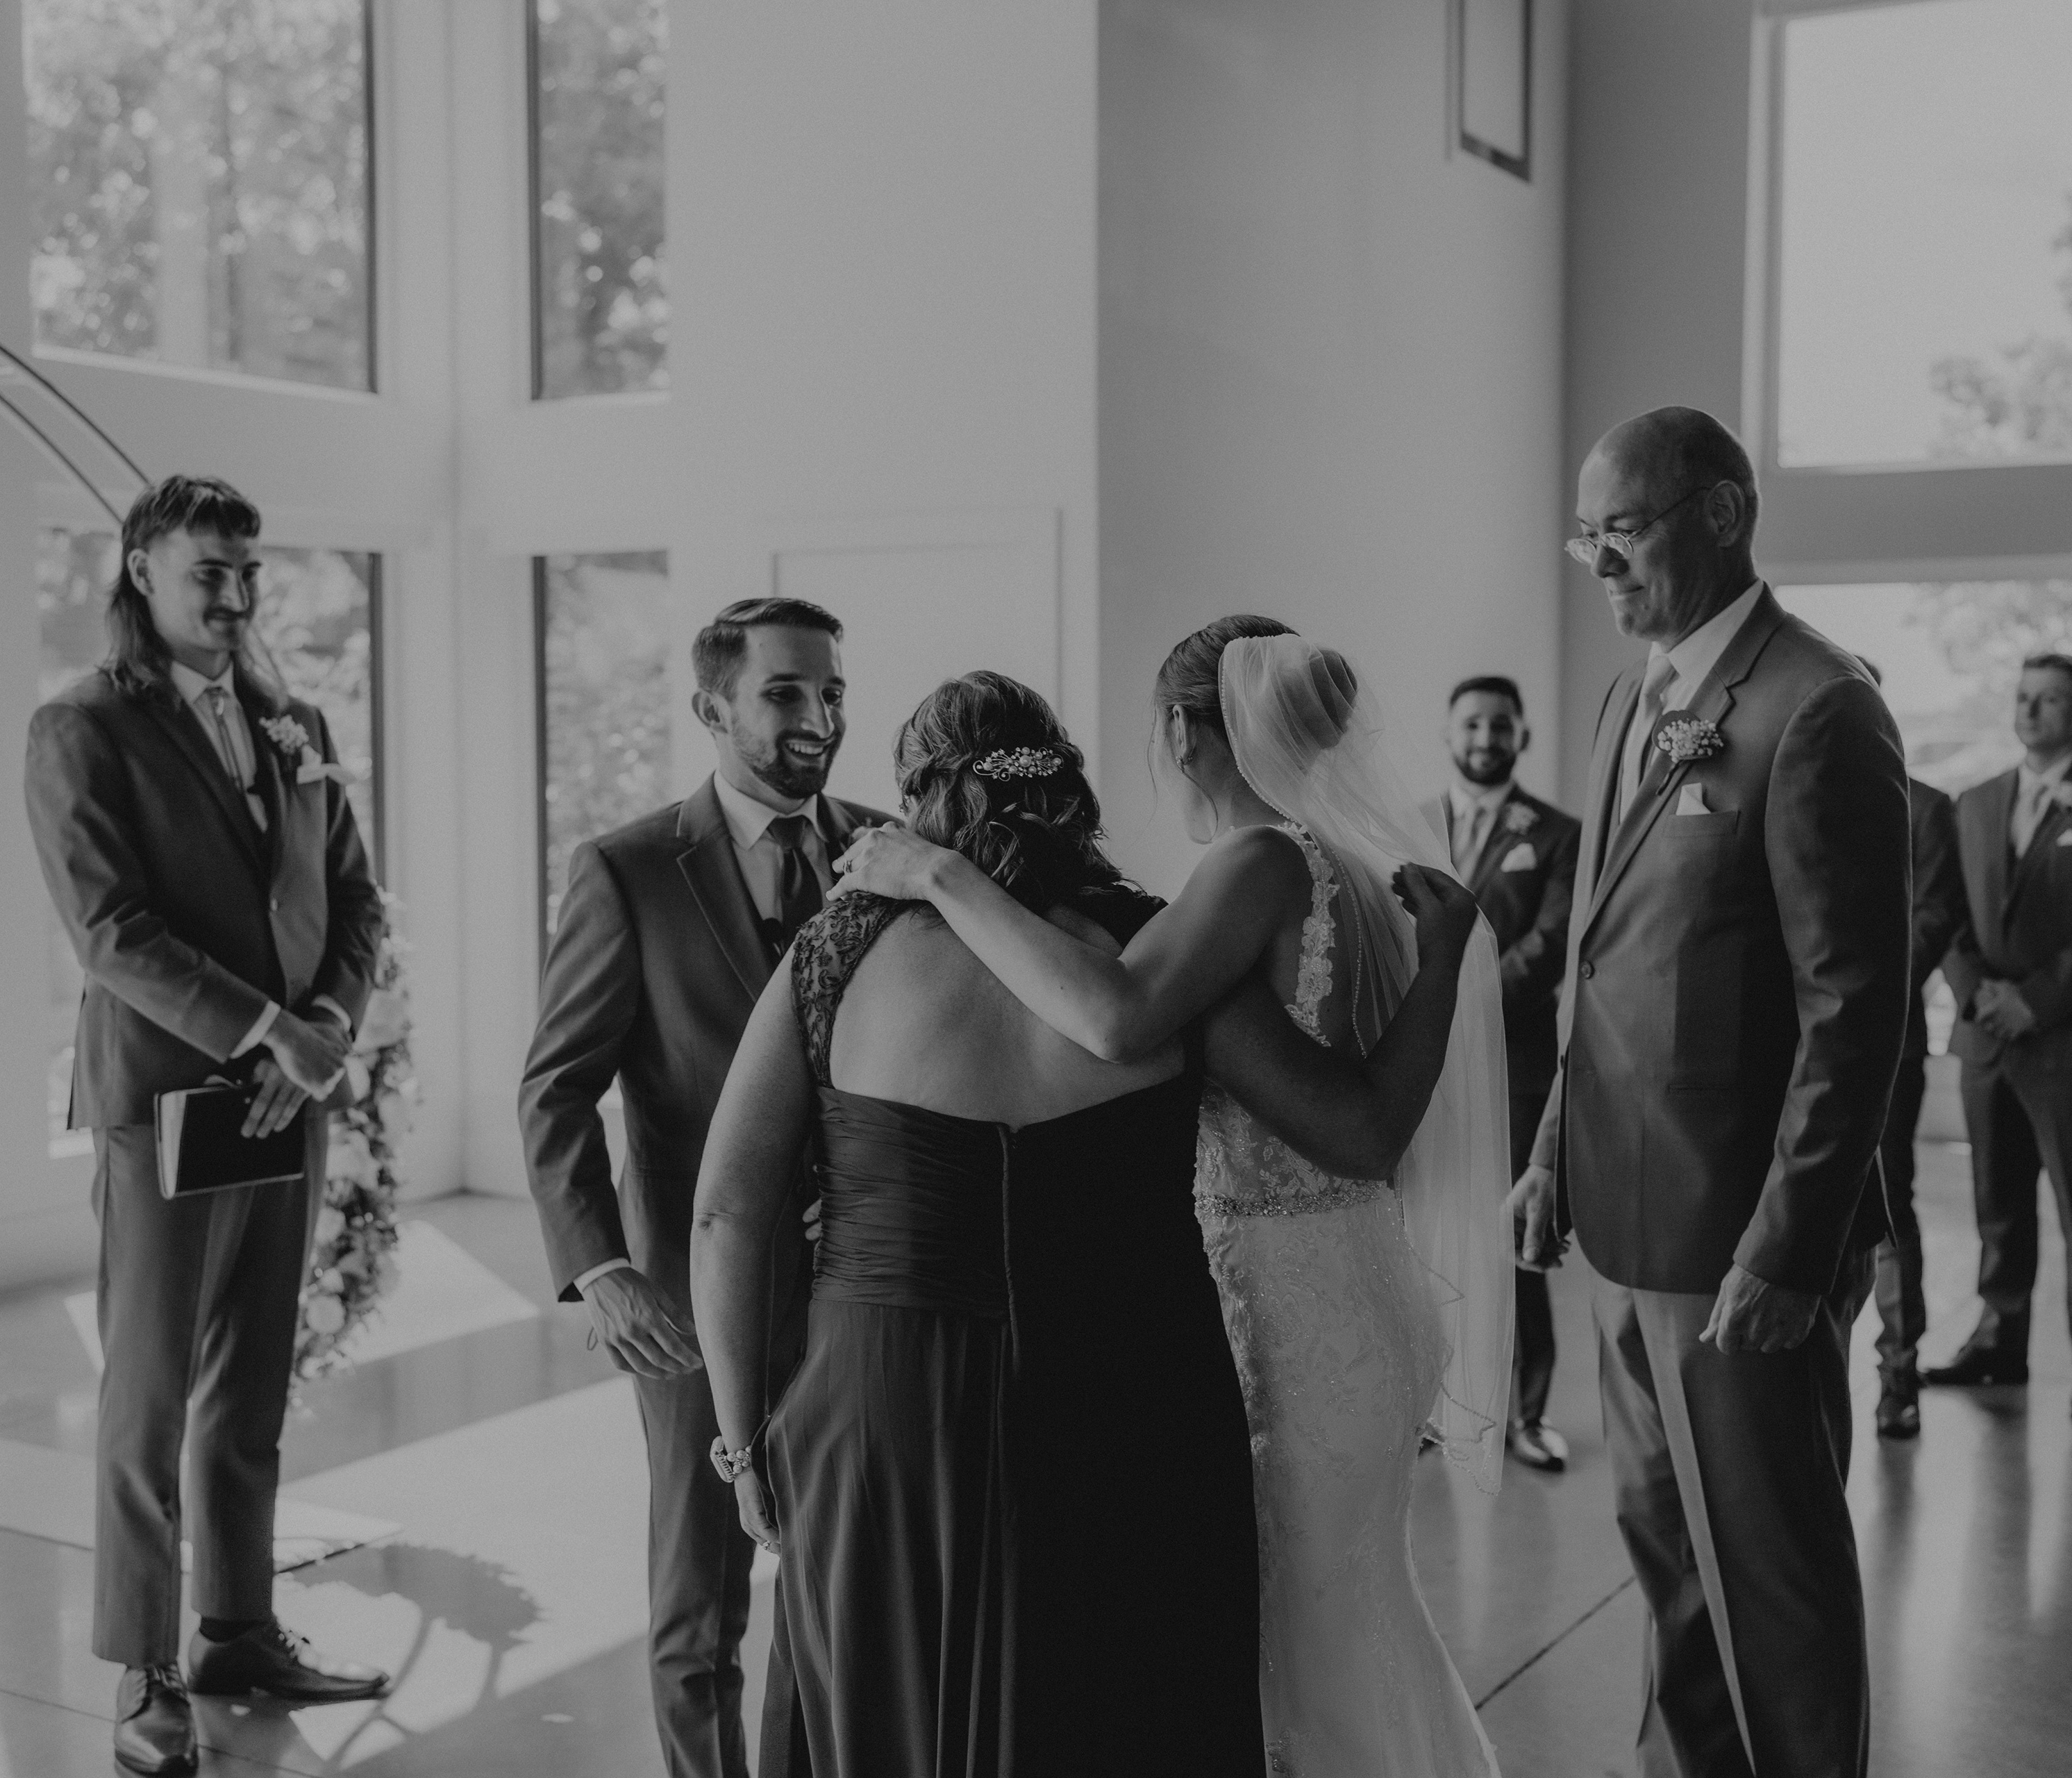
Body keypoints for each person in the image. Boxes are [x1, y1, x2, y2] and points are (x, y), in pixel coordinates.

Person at [691, 671, 1487, 1777]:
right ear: (1066, 791)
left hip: (890, 1395)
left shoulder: (837, 953)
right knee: (1126, 1702)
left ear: (921, 801)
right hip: (1134, 1382)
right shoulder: (1156, 952)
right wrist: (1443, 966)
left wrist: (742, 1446)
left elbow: (728, 1211)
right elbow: (1355, 1130)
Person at [1505, 408, 1907, 1778]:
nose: (1602, 564)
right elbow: (1600, 959)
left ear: (1724, 513)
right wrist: (1551, 1150)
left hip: (1739, 1243)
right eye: (1589, 538)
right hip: (1622, 1226)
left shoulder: (1818, 704)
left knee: (1769, 1580)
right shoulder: (1634, 699)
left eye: (1624, 529)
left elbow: (1855, 1011)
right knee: (1667, 1558)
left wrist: (1788, 1248)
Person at [25, 476, 388, 1778]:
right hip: (166, 1105)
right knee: (149, 1393)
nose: (234, 598)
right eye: (208, 574)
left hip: (290, 1100)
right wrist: (268, 1030)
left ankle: (236, 1630)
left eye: (247, 573)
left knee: (251, 1380)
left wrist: (325, 1028)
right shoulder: (82, 727)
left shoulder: (300, 721)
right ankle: (145, 1667)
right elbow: (109, 931)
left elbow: (356, 902)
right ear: (141, 569)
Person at [519, 597, 885, 1778]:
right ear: (712, 708)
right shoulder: (627, 871)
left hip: (869, 1278)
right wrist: (601, 1267)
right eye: (785, 692)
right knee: (700, 1595)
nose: (818, 715)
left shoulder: (889, 850)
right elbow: (555, 1089)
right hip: (692, 1292)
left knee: (848, 1573)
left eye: (832, 691)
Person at [1928, 656, 2072, 1424]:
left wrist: (2035, 1001)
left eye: (2051, 700)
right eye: (2024, 696)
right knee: (1997, 1200)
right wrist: (1976, 994)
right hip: (1987, 1037)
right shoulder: (1975, 801)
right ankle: (2000, 1338)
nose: (2030, 711)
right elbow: (1944, 909)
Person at [1431, 674, 1581, 1471]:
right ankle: (1432, 1408)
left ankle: (1527, 1413)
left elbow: (1551, 942)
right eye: (1472, 724)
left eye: (1500, 725)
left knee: (1515, 1235)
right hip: (1420, 1066)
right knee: (1427, 1230)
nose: (1485, 738)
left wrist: (1461, 998)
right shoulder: (1410, 824)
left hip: (1515, 1062)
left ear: (1522, 734)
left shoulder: (1557, 834)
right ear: (1449, 732)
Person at [1855, 658, 1965, 1442]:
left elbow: (1935, 918)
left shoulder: (1926, 808)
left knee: (1888, 1203)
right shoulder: (1770, 788)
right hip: (1776, 1041)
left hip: (1887, 1037)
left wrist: (1855, 988)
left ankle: (1899, 1371)